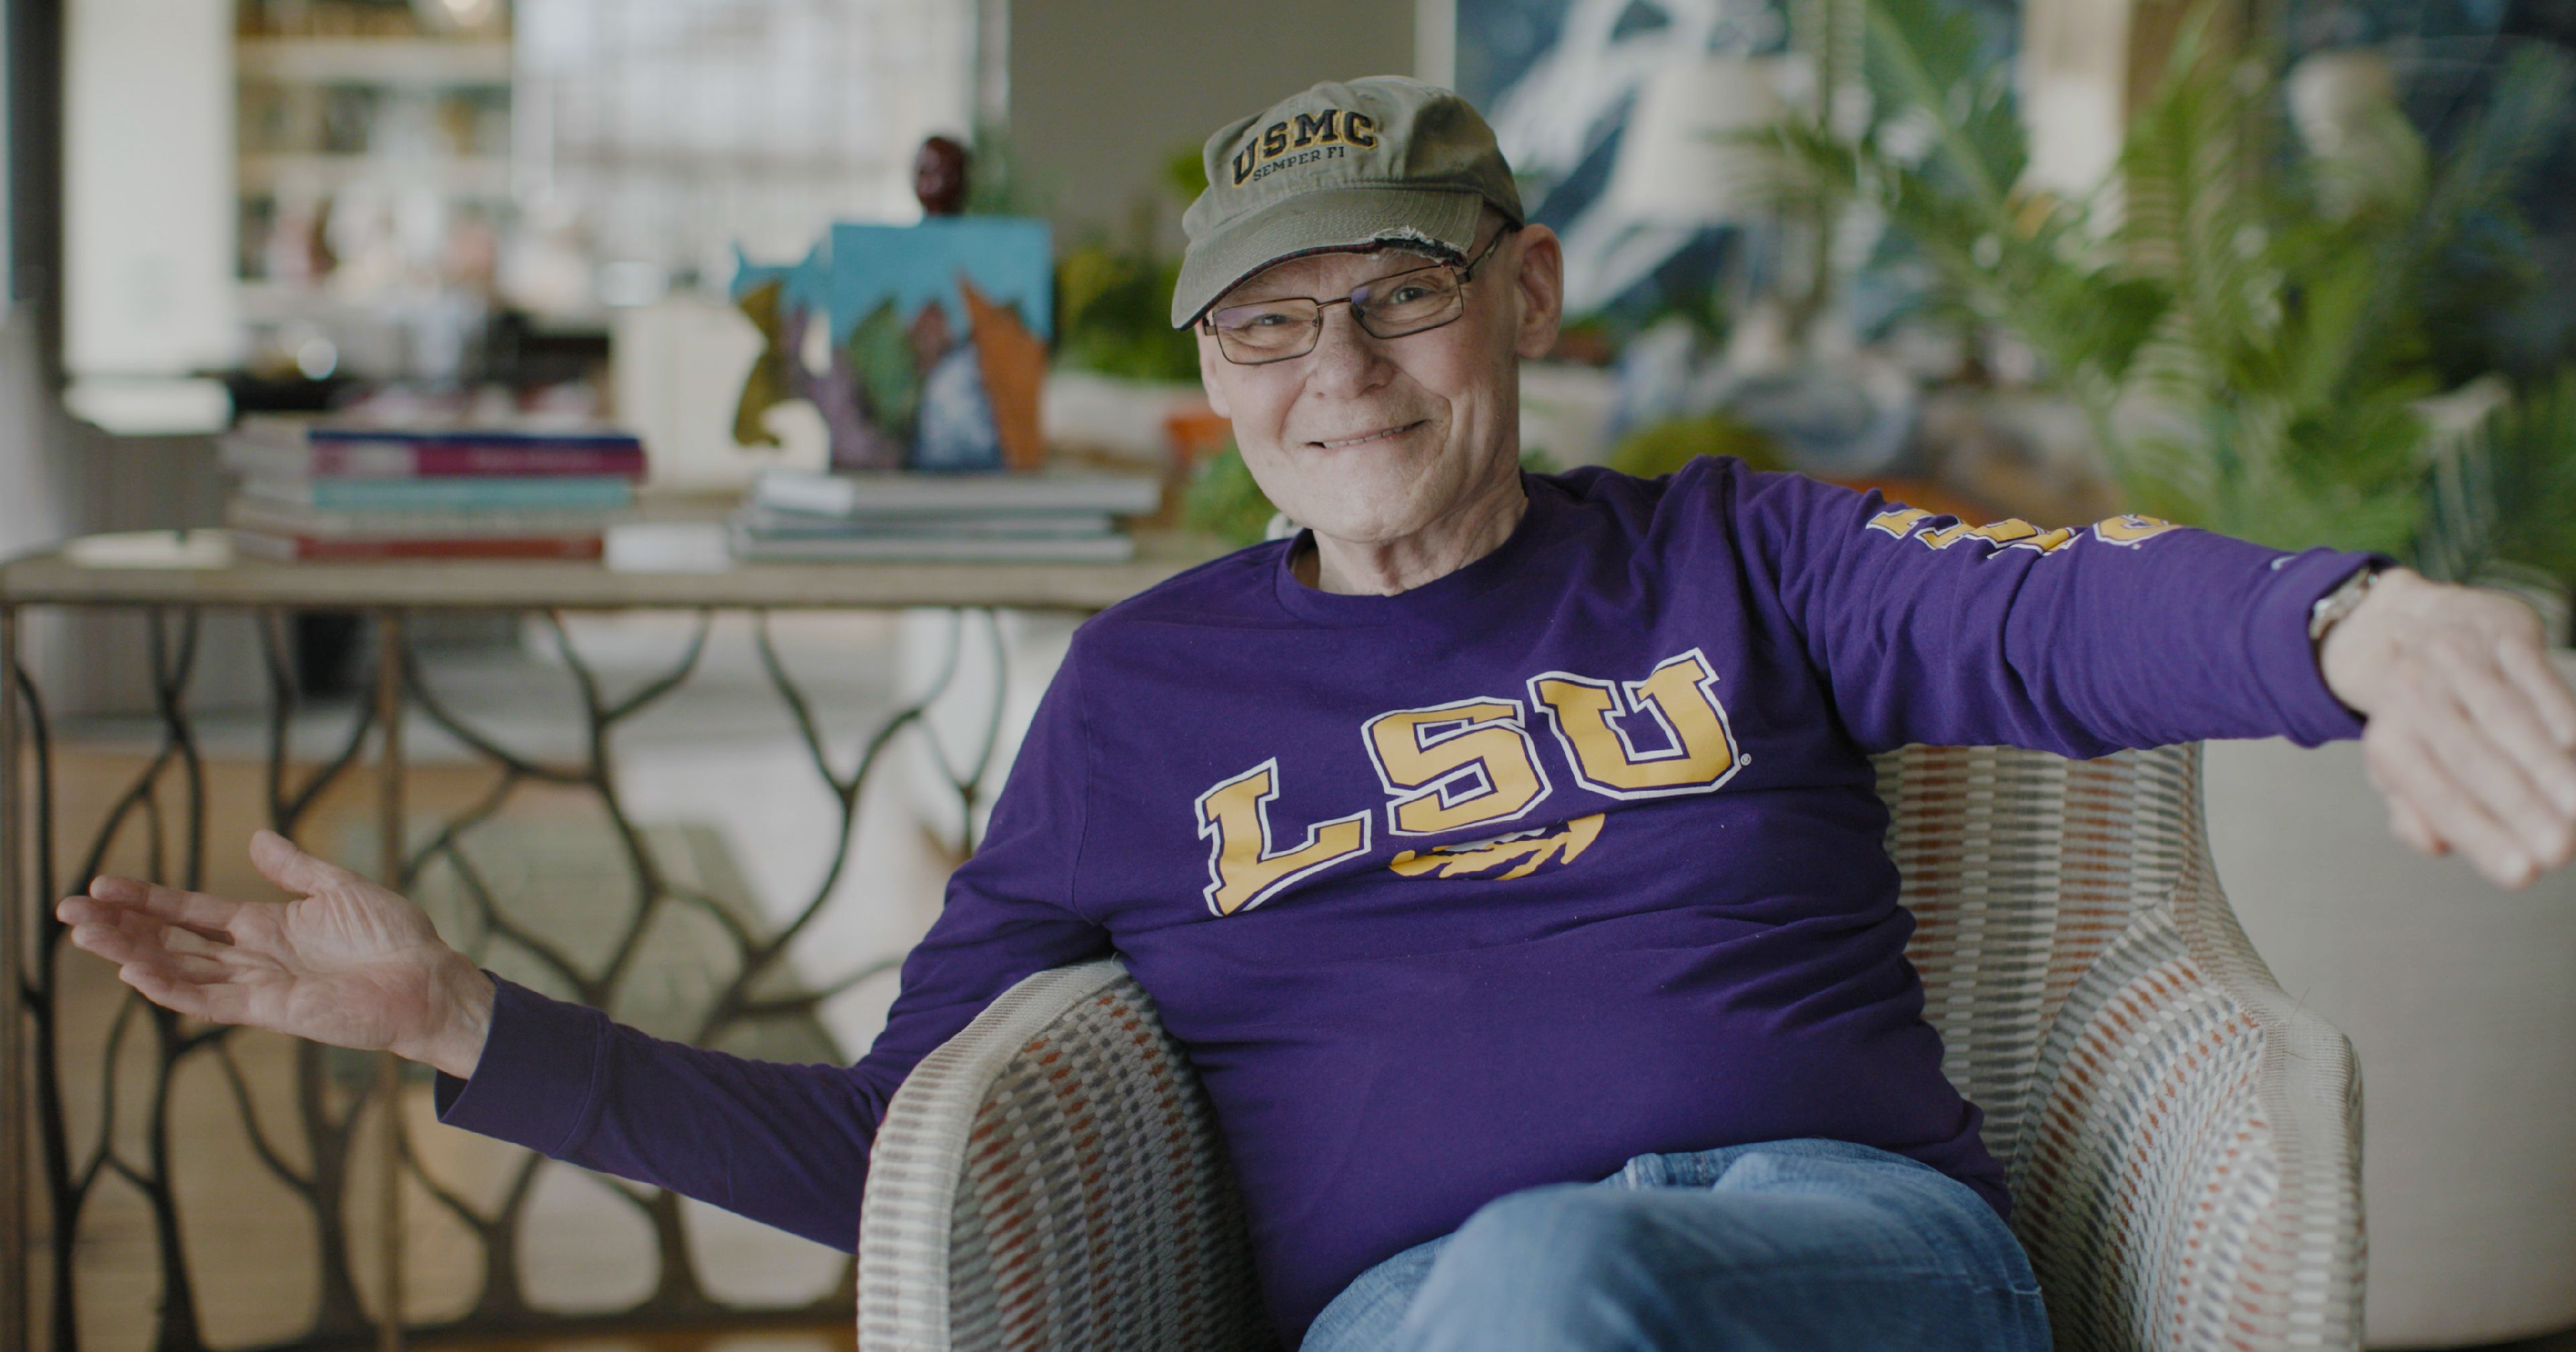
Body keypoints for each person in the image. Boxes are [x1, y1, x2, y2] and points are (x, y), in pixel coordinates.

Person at [60, 77, 2576, 1352]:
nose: (1337, 369)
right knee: (1524, 1300)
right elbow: (892, 1158)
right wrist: (455, 1018)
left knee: (1574, 1283)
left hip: (1854, 1265)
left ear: (1527, 296)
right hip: (1425, 1318)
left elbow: (2068, 620)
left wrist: (2360, 625)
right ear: (1217, 378)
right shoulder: (1147, 698)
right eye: (1268, 324)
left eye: (1398, 296)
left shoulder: (1733, 554)